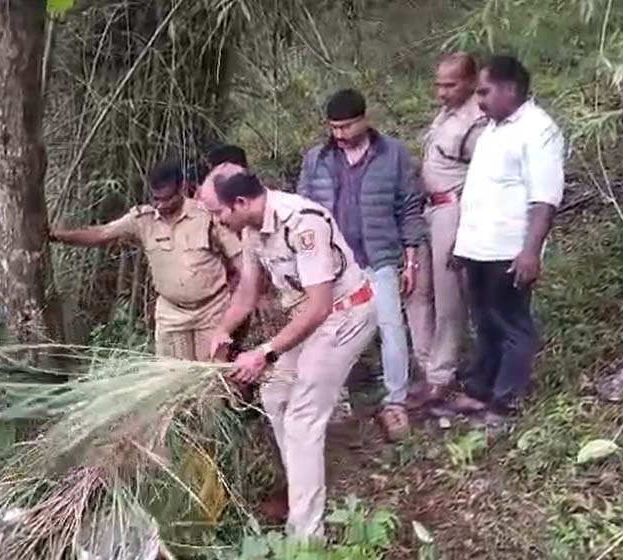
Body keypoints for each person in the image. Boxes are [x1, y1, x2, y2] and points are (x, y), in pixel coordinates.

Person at [205, 172, 377, 538]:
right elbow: (247, 292)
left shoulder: (302, 222)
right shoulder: (252, 231)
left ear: (240, 203)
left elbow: (319, 306)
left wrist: (264, 352)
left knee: (302, 418)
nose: (217, 221)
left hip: (345, 315)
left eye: (219, 213)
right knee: (274, 393)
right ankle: (302, 492)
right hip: (311, 319)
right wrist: (223, 329)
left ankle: (306, 535)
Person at [296, 88, 425, 440]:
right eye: (333, 128)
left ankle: (395, 402)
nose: (339, 134)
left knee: (391, 327)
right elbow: (303, 211)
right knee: (330, 331)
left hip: (378, 255)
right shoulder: (317, 159)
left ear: (365, 120)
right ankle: (336, 399)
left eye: (347, 127)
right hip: (332, 264)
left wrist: (411, 259)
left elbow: (409, 206)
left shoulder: (393, 154)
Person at [448, 55, 565, 424]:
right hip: (479, 247)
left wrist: (530, 252)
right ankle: (480, 390)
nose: (479, 100)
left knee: (512, 324)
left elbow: (545, 199)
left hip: (508, 250)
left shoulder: (539, 130)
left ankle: (506, 401)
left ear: (510, 89)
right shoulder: (493, 129)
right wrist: (462, 246)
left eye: (484, 92)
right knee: (484, 321)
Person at [49, 159, 242, 361]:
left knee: (212, 373)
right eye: (156, 199)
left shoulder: (207, 216)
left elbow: (240, 261)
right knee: (174, 374)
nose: (161, 205)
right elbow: (100, 234)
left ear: (182, 188)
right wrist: (57, 236)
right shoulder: (142, 219)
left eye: (167, 199)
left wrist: (238, 301)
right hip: (172, 314)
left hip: (211, 311)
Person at [405, 52, 488, 409]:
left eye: (450, 85)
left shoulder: (477, 121)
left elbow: (485, 177)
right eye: (438, 84)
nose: (441, 92)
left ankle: (442, 375)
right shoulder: (446, 114)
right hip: (426, 208)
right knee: (416, 289)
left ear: (470, 82)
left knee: (448, 295)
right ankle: (428, 365)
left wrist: (465, 229)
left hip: (454, 209)